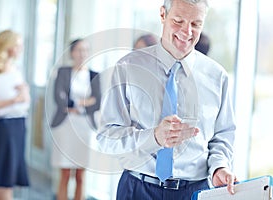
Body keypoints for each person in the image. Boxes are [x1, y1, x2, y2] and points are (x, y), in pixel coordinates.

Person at [97, 0, 237, 199]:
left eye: (196, 24)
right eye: (179, 21)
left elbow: (222, 136)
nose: (187, 32)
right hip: (137, 188)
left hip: (194, 192)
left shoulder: (217, 76)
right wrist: (154, 137)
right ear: (163, 15)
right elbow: (106, 136)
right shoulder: (128, 67)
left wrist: (219, 167)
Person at [0, 30, 30, 200]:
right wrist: (14, 99)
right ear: (7, 46)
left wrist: (24, 92)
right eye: (17, 45)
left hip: (20, 124)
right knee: (4, 176)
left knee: (12, 176)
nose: (20, 48)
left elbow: (26, 101)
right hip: (5, 127)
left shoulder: (18, 68)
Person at [50, 38, 101, 200]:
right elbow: (59, 98)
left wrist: (75, 103)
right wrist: (86, 101)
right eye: (79, 50)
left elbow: (98, 101)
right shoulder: (63, 72)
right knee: (64, 173)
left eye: (85, 50)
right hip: (65, 126)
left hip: (85, 128)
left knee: (80, 174)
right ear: (72, 52)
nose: (82, 54)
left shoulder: (95, 75)